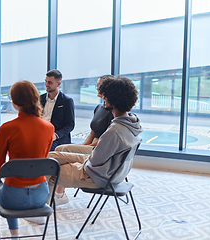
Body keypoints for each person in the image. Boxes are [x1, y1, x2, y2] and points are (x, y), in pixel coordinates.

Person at [0, 80, 54, 238]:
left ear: (15, 103)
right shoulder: (49, 128)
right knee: (4, 177)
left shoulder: (7, 128)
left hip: (13, 199)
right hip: (42, 196)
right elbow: (42, 159)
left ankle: (9, 232)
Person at [47, 75, 142, 204]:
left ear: (112, 99)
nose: (102, 97)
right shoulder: (132, 123)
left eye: (105, 95)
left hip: (96, 176)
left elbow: (94, 161)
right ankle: (47, 201)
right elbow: (96, 158)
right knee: (51, 156)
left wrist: (73, 163)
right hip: (112, 172)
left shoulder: (114, 131)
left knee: (48, 168)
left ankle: (41, 207)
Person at [52, 75, 114, 205]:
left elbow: (106, 138)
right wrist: (83, 146)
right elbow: (92, 132)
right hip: (93, 143)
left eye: (99, 85)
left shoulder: (112, 111)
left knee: (61, 149)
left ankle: (58, 194)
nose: (96, 87)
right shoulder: (99, 108)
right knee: (64, 150)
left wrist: (86, 148)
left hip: (100, 146)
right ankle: (59, 193)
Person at [40, 69, 75, 151]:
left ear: (58, 84)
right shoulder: (40, 99)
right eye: (46, 81)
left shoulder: (66, 101)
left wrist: (56, 135)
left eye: (50, 82)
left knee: (45, 149)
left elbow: (70, 125)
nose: (46, 84)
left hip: (56, 138)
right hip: (41, 134)